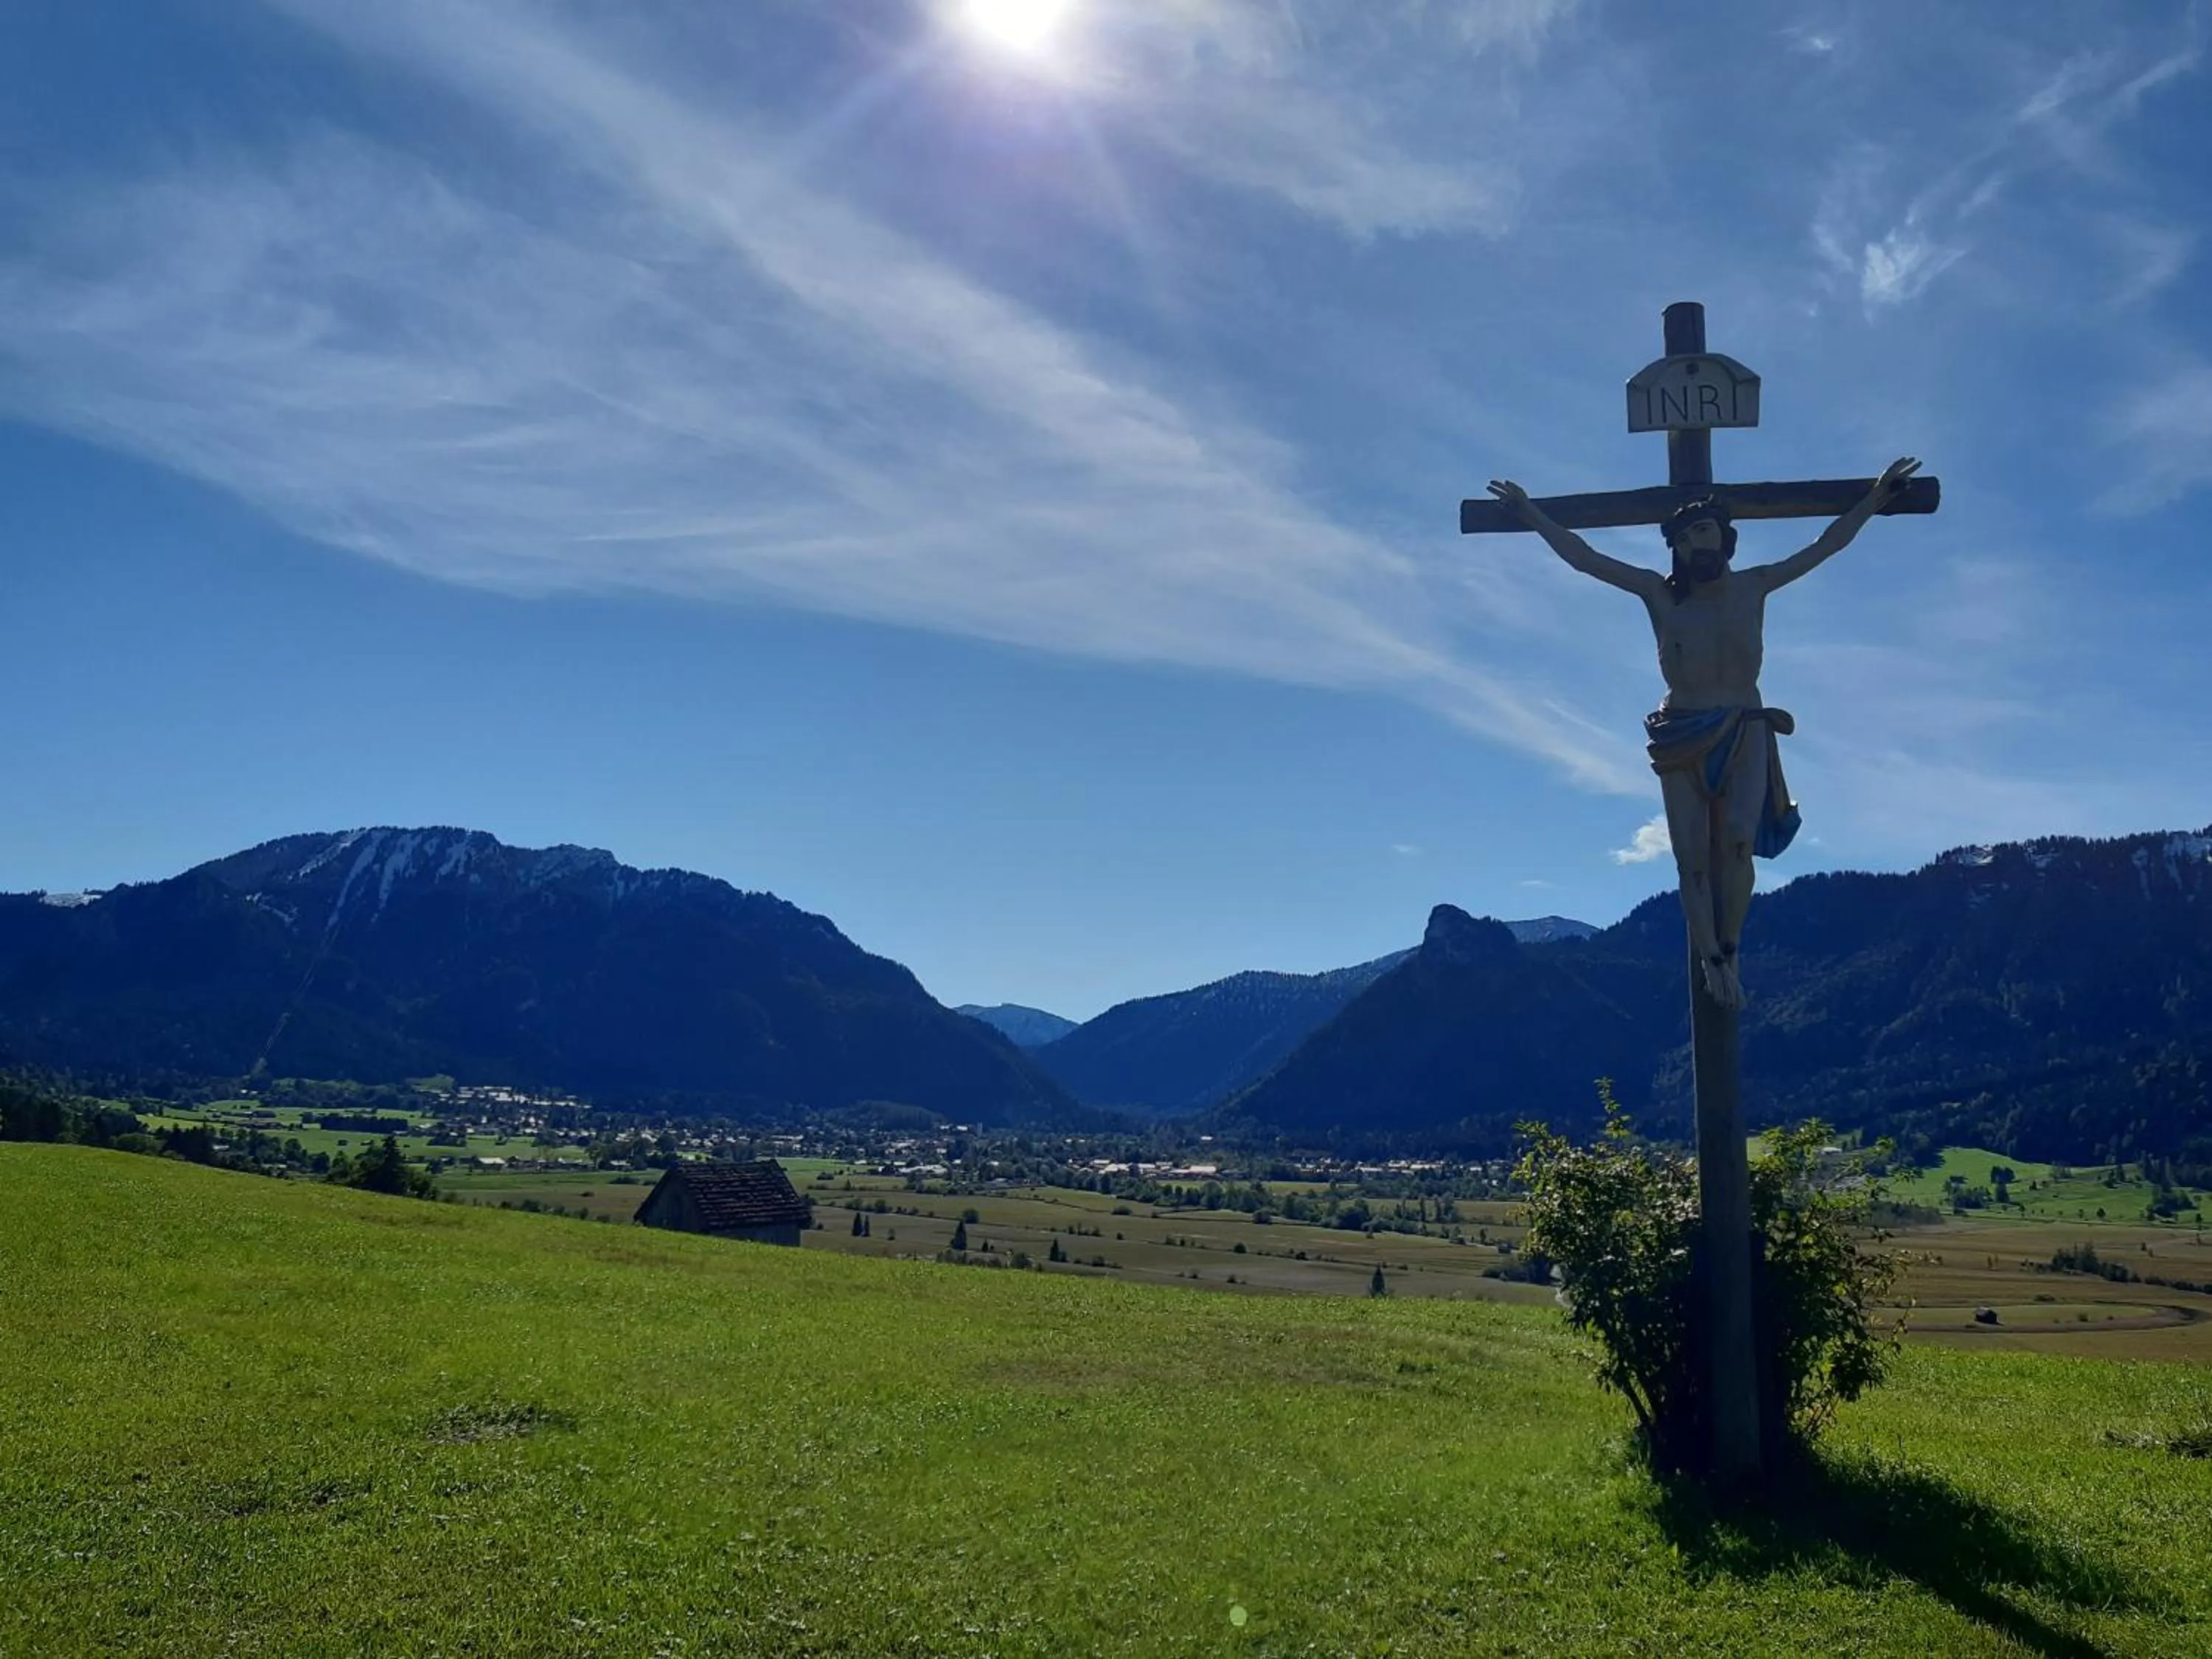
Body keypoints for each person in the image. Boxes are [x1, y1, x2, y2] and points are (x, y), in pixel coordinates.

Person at [1485, 458, 1921, 1009]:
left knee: (1738, 841)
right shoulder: (1660, 596)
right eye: (1688, 538)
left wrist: (1875, 498)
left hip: (1743, 727)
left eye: (1707, 532)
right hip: (1681, 735)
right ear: (1678, 549)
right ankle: (1710, 956)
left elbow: (1826, 544)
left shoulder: (1756, 587)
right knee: (1690, 856)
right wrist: (1529, 512)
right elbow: (1584, 558)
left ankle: (1731, 947)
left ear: (1726, 540)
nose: (1698, 545)